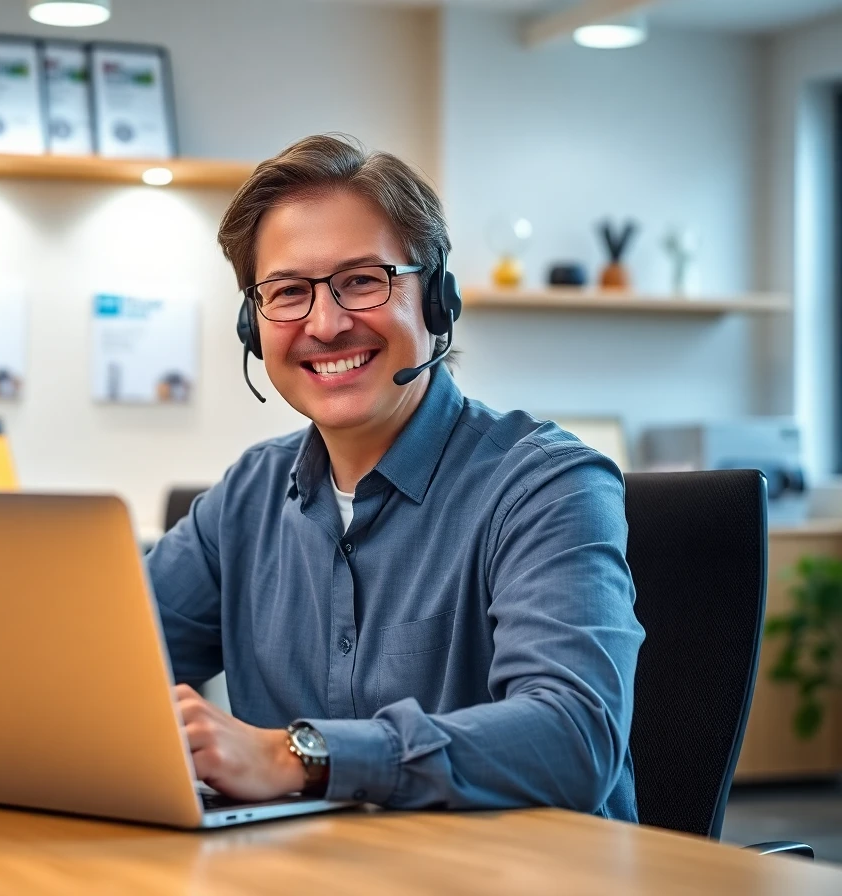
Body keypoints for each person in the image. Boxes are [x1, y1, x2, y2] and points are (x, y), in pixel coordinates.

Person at [144, 134, 644, 820]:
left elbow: (573, 737)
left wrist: (298, 757)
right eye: (288, 292)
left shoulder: (549, 486)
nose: (326, 323)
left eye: (361, 281)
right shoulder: (247, 499)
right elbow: (96, 658)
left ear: (436, 300)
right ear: (253, 328)